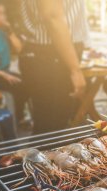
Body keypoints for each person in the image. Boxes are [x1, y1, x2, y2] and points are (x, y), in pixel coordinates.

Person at [19, 0, 89, 134]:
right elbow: (52, 16)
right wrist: (75, 69)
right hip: (52, 57)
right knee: (51, 131)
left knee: (51, 128)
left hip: (52, 55)